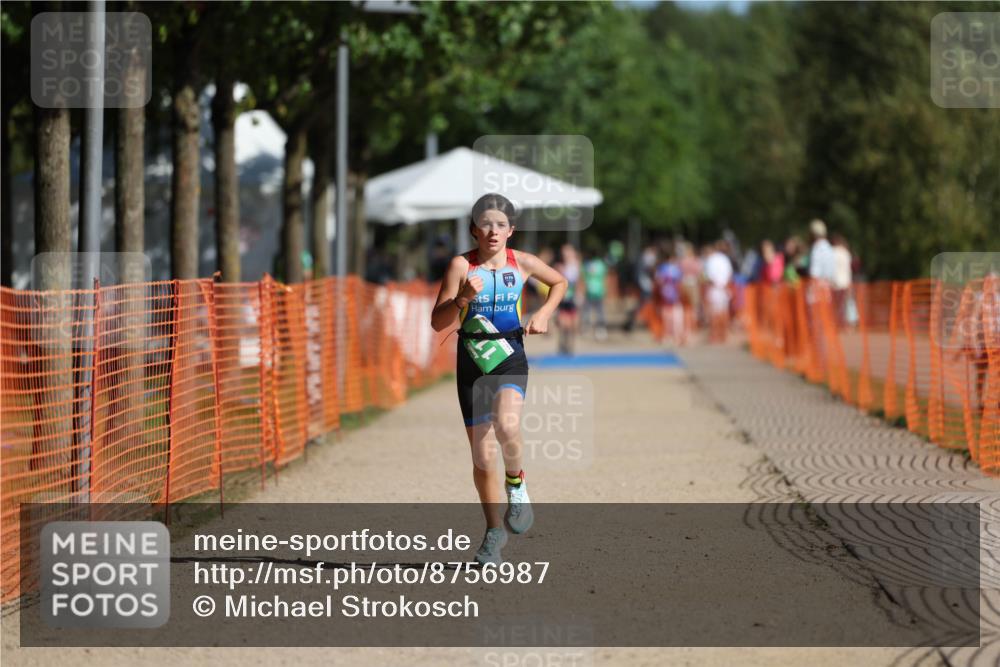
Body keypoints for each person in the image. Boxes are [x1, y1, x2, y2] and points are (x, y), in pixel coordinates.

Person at [431, 193, 567, 565]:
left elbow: (559, 283)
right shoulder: (461, 266)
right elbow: (438, 322)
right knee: (482, 455)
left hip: (509, 354)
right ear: (474, 229)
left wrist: (543, 315)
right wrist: (460, 299)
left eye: (500, 225)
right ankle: (493, 533)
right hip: (472, 360)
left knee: (508, 425)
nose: (493, 231)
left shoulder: (522, 263)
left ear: (511, 230)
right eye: (485, 224)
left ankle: (517, 484)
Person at [655, 244, 685, 346]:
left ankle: (666, 335)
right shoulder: (676, 268)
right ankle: (676, 336)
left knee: (665, 314)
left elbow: (659, 281)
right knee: (676, 314)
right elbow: (680, 282)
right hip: (674, 292)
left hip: (665, 292)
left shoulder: (662, 268)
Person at [704, 241, 734, 343]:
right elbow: (730, 274)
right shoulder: (725, 259)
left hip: (714, 289)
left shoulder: (711, 259)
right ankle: (723, 335)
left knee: (714, 313)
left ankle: (715, 335)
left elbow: (708, 276)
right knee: (723, 312)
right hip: (724, 288)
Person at [554, 244, 581, 355]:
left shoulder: (576, 265)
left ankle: (571, 345)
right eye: (564, 253)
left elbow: (579, 281)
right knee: (563, 323)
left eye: (568, 253)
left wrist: (580, 294)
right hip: (562, 298)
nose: (566, 255)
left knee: (573, 324)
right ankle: (562, 344)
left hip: (572, 298)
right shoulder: (559, 266)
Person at [581, 248, 609, 341]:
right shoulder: (601, 265)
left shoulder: (587, 264)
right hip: (599, 291)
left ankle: (587, 328)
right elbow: (605, 278)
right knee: (599, 311)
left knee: (588, 311)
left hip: (591, 291)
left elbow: (583, 278)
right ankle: (600, 330)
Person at [831, 234, 854, 327]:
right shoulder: (846, 253)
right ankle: (844, 322)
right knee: (843, 304)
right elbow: (848, 270)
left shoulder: (832, 252)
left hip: (835, 282)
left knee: (836, 304)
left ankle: (837, 322)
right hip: (844, 281)